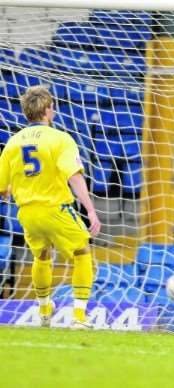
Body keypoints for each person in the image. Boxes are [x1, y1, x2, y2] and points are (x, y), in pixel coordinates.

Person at [0, 86, 101, 329]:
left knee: (41, 255)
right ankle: (78, 317)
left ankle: (45, 311)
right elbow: (74, 177)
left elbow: (3, 190)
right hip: (56, 208)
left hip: (26, 213)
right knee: (82, 253)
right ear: (47, 110)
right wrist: (90, 210)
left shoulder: (13, 143)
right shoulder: (60, 139)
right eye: (52, 106)